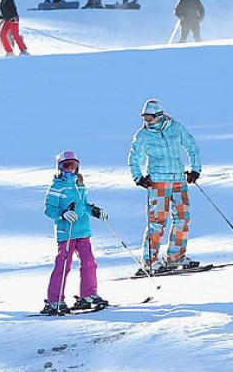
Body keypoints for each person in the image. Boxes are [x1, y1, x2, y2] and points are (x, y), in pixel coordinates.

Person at [127, 99, 201, 272]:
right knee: (157, 221)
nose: (147, 121)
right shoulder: (143, 134)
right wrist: (138, 177)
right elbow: (134, 158)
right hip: (158, 181)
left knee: (183, 218)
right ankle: (150, 261)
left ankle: (175, 256)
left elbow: (192, 146)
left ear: (159, 115)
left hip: (179, 180)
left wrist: (195, 169)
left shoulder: (175, 128)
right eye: (144, 117)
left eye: (149, 117)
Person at [41, 151, 110, 315]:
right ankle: (55, 300)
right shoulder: (56, 187)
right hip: (67, 232)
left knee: (89, 262)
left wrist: (94, 211)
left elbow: (84, 206)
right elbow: (49, 210)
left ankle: (88, 295)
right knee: (63, 264)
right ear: (60, 168)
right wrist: (62, 214)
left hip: (82, 230)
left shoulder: (80, 186)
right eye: (67, 165)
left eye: (74, 165)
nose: (71, 168)